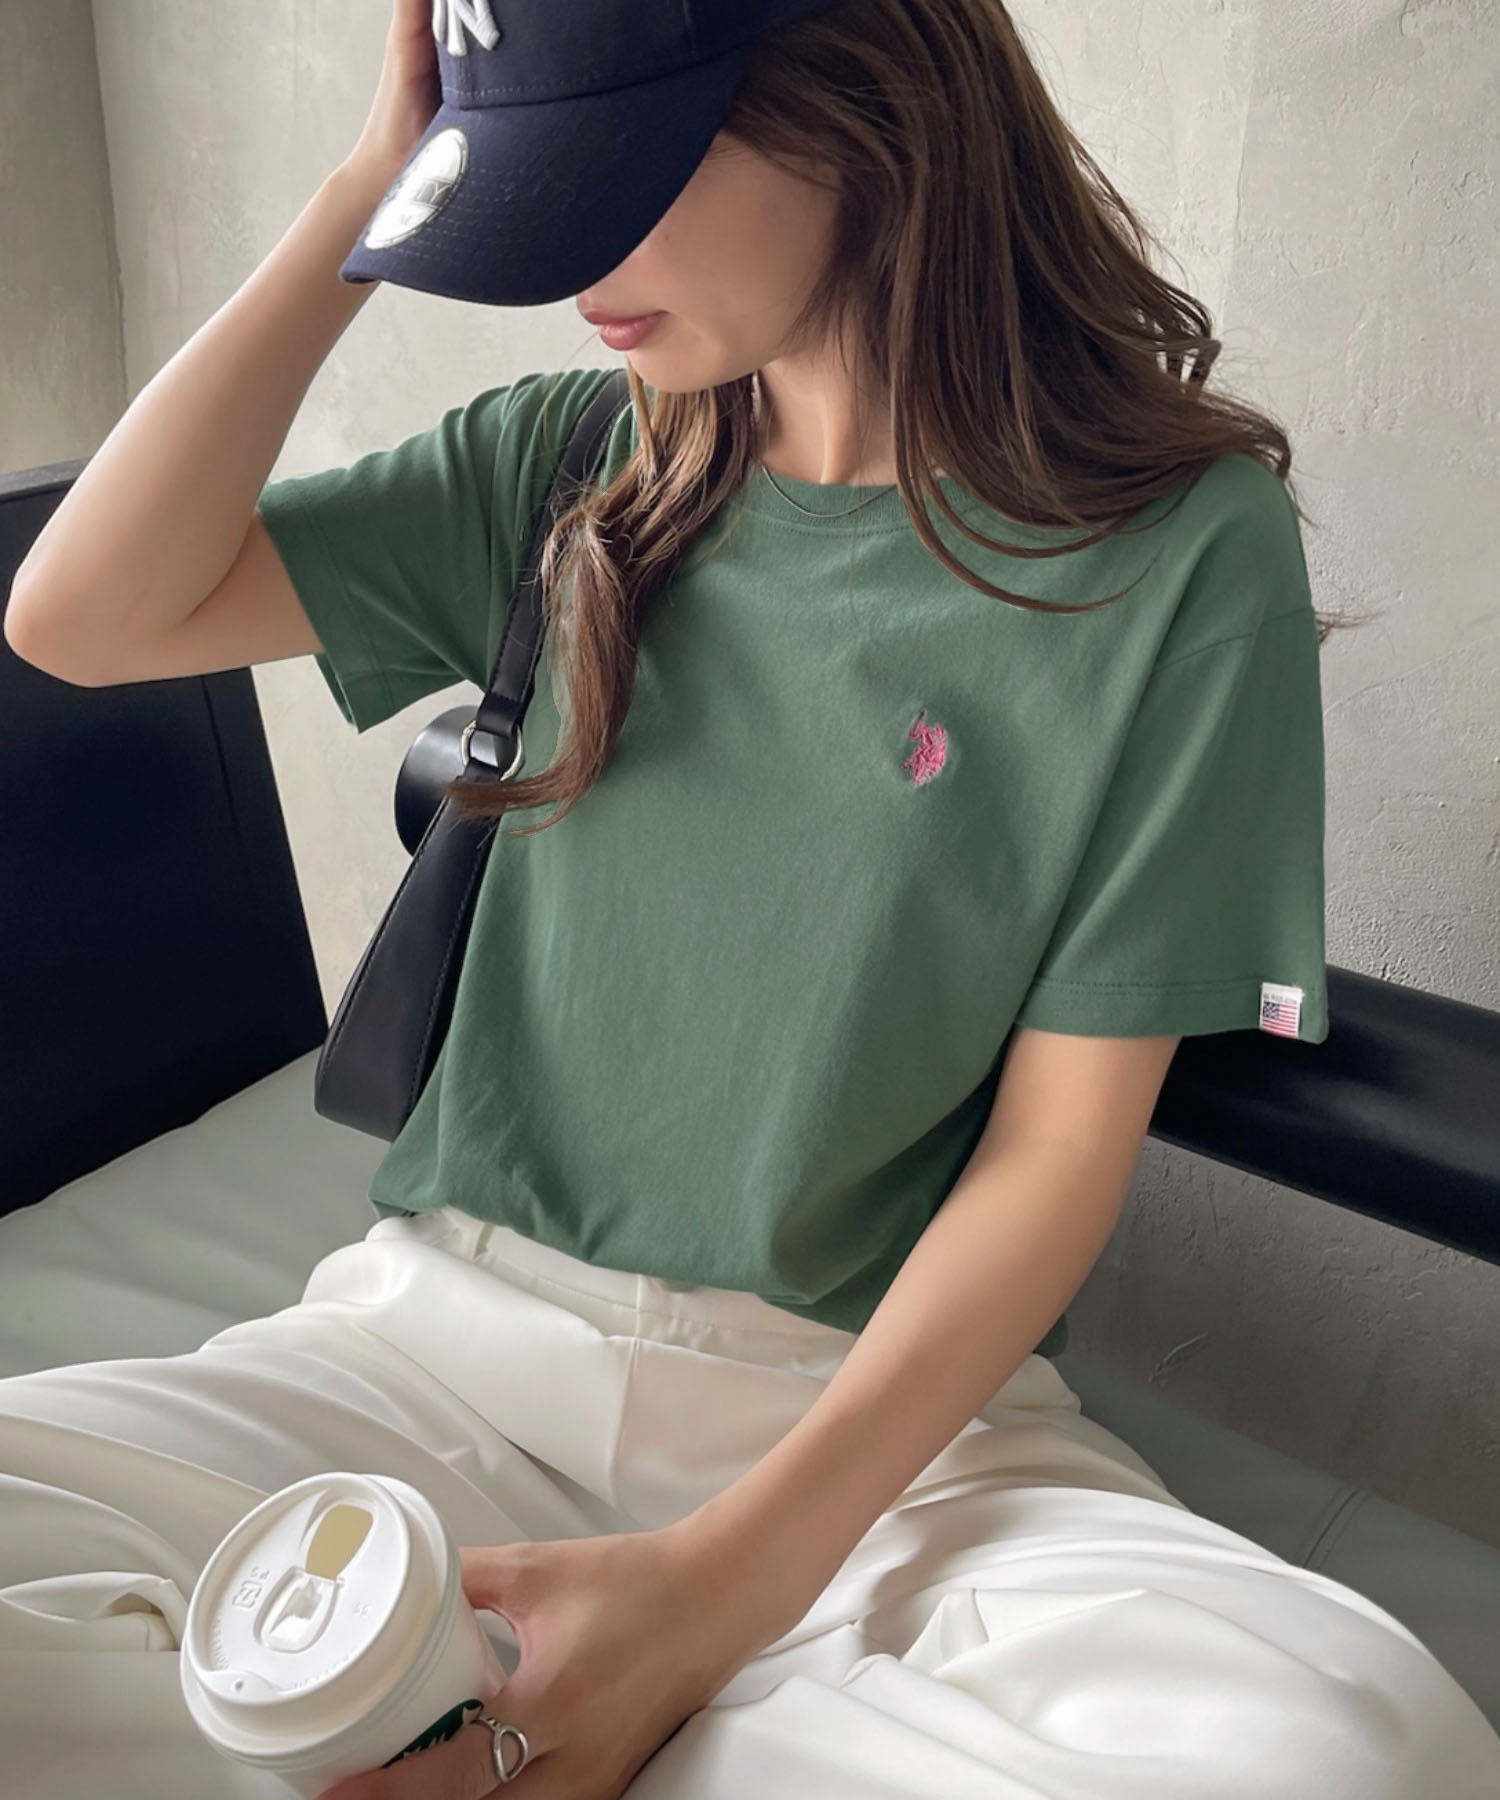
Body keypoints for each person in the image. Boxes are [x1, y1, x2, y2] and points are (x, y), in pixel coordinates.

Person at [6, 1, 1499, 1796]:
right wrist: (370, 195)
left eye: (618, 178)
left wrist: (720, 1591)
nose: (575, 271)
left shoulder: (1178, 553)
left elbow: (1055, 1157)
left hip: (870, 1453)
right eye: (535, 194)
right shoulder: (578, 465)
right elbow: (80, 615)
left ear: (870, 107)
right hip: (431, 1360)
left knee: (1347, 1747)